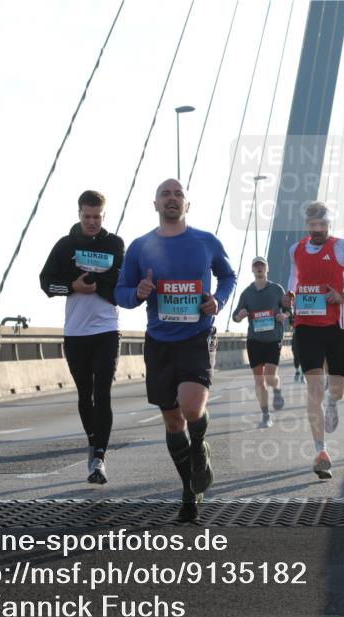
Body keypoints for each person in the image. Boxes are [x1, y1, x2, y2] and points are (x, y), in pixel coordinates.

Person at [115, 178, 236, 522]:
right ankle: (189, 491)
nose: (172, 198)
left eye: (178, 194)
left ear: (187, 204)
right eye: (165, 194)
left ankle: (199, 449)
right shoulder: (140, 247)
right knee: (172, 421)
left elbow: (228, 276)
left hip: (196, 337)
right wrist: (137, 292)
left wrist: (218, 300)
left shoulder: (206, 241)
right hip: (159, 342)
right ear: (155, 204)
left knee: (191, 407)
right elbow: (121, 292)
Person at [282, 202, 344, 479]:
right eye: (313, 224)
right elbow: (295, 275)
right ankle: (321, 452)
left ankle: (333, 402)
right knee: (314, 388)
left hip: (339, 326)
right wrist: (290, 293)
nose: (318, 229)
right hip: (306, 325)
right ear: (306, 224)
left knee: (336, 389)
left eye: (322, 224)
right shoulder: (295, 249)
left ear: (329, 224)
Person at [40, 190, 124, 484]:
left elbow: (120, 281)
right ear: (79, 214)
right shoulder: (65, 246)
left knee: (102, 393)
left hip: (107, 330)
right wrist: (72, 286)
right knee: (84, 394)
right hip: (75, 332)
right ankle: (92, 440)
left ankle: (99, 457)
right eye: (87, 216)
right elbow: (46, 283)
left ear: (104, 216)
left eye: (97, 217)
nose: (92, 222)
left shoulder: (114, 244)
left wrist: (97, 283)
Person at [232, 256, 288, 428]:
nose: (259, 268)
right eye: (256, 265)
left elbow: (289, 309)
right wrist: (239, 316)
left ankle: (277, 389)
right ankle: (265, 415)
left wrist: (284, 315)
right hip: (254, 340)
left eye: (262, 265)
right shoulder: (246, 293)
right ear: (252, 269)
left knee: (270, 377)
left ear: (267, 268)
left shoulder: (277, 289)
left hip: (273, 338)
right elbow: (235, 316)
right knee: (259, 380)